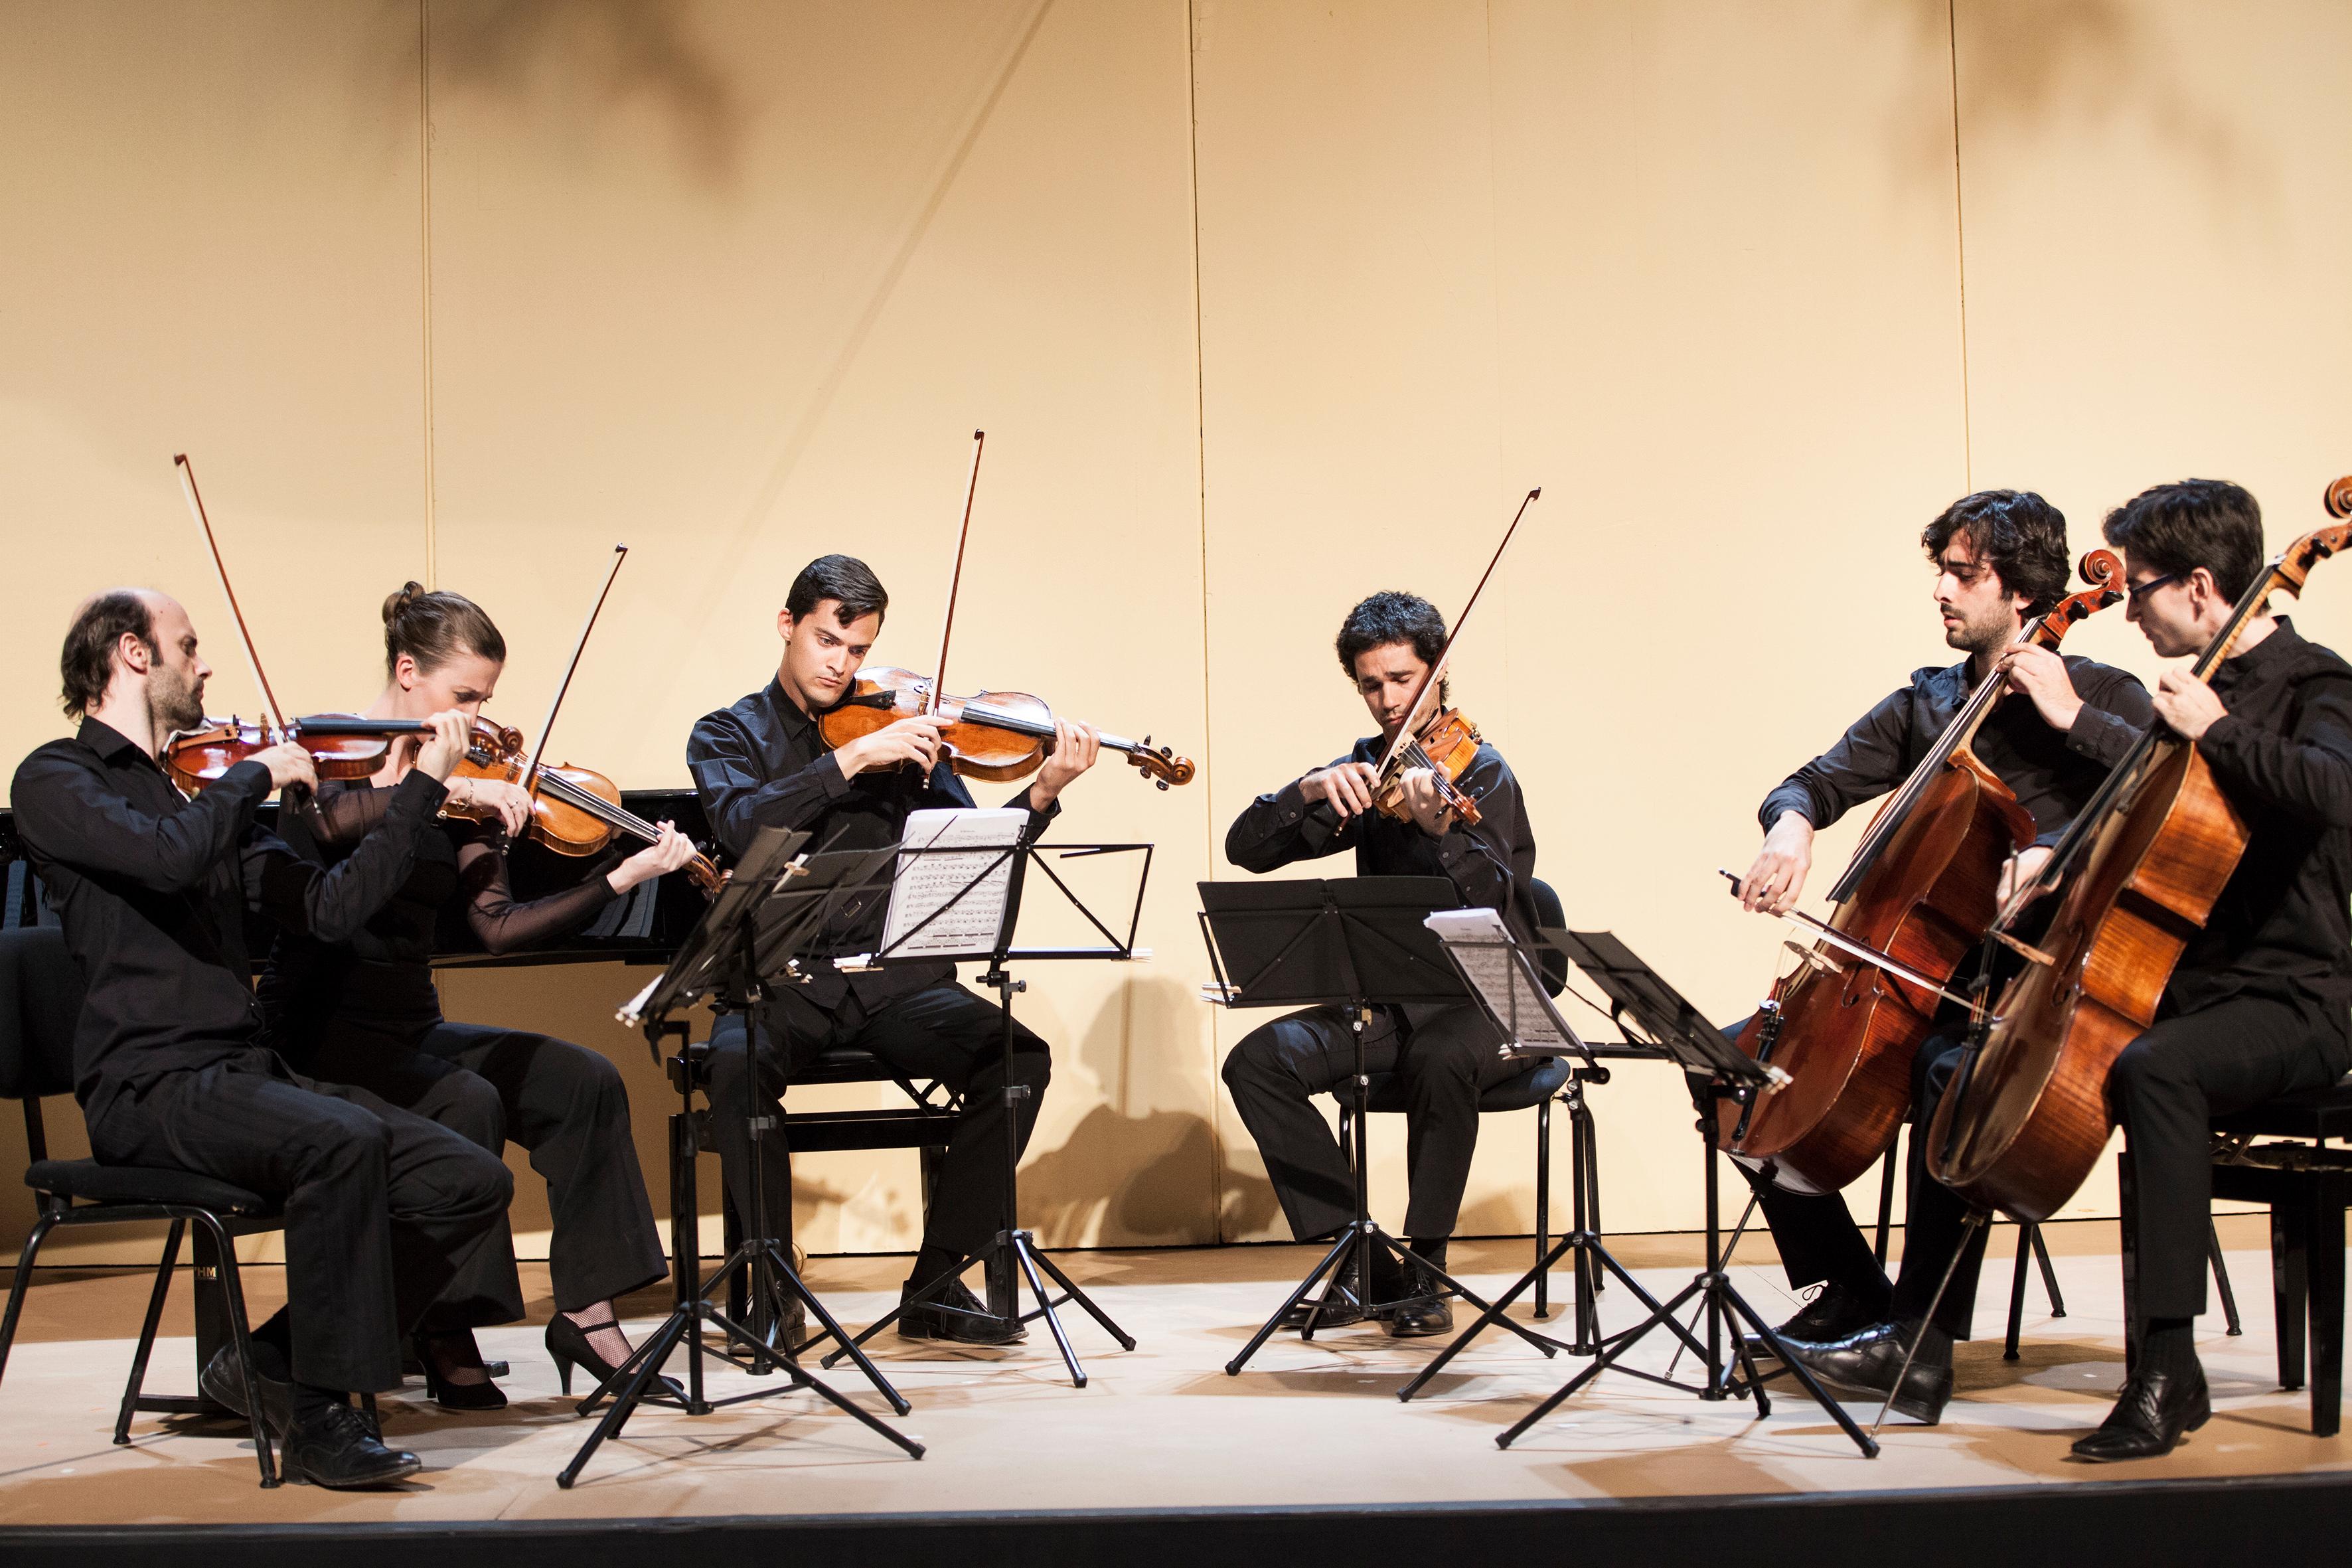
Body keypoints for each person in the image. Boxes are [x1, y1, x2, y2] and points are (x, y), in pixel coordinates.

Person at [1780, 479, 2352, 1459]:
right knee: (1965, 1063)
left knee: (2152, 1070)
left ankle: (2165, 1369)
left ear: (2202, 585)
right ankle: (1916, 1341)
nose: (2124, 608)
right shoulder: (2186, 688)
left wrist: (2207, 727)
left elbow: (2333, 791)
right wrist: (2059, 858)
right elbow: (2150, 826)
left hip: (2296, 991)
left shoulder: (2312, 684)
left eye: (2138, 589)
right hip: (2183, 979)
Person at [11, 589, 512, 1488]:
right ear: (132, 653)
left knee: (467, 1176)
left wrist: (421, 791)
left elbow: (330, 908)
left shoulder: (198, 798)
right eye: (188, 645)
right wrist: (254, 776)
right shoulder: (56, 780)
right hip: (148, 1085)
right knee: (342, 1139)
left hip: (238, 1071)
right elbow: (164, 854)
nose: (204, 666)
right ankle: (323, 1419)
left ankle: (268, 1360)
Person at [1727, 491, 2152, 1412]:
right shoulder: (1928, 699)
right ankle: (1849, 1292)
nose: (1940, 590)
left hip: (2020, 991)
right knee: (1730, 1066)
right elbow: (1810, 779)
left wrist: (2063, 769)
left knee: (1944, 1074)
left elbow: (2156, 786)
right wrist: (1790, 830)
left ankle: (1919, 1340)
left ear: (2026, 587)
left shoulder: (2100, 693)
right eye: (1941, 571)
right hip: (1902, 976)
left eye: (1963, 573)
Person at [258, 584, 693, 1407]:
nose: (480, 720)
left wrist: (620, 876)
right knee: (465, 1100)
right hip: (316, 1034)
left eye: (485, 701)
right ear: (406, 670)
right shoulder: (322, 762)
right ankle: (443, 1324)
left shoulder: (469, 783)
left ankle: (590, 1314)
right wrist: (443, 790)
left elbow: (495, 926)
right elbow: (329, 830)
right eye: (465, 697)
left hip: (406, 1027)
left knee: (582, 1078)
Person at [686, 553, 1099, 1343]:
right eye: (828, 640)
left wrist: (1042, 794)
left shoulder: (905, 733)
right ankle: (771, 1288)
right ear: (788, 625)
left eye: (858, 649)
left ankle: (938, 1283)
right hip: (779, 981)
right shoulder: (728, 732)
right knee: (734, 1067)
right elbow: (740, 824)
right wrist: (845, 761)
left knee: (1016, 1057)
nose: (842, 666)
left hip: (892, 984)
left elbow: (974, 845)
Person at [1219, 590, 1540, 1338]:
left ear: (1439, 671)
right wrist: (1303, 790)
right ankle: (1364, 1261)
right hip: (1396, 996)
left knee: (1437, 1059)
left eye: (1403, 680)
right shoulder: (1365, 772)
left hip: (1491, 999)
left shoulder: (1483, 772)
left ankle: (1426, 1272)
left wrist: (1438, 826)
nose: (1389, 700)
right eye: (1372, 685)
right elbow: (1249, 850)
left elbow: (1496, 899)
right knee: (1259, 1061)